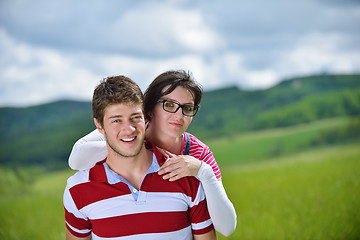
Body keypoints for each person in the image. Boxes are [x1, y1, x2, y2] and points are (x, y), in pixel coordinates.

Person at [68, 70, 237, 236]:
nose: (179, 115)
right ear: (148, 108)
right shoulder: (132, 124)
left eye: (187, 108)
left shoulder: (198, 153)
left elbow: (227, 228)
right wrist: (135, 144)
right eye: (169, 105)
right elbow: (76, 160)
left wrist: (203, 171)